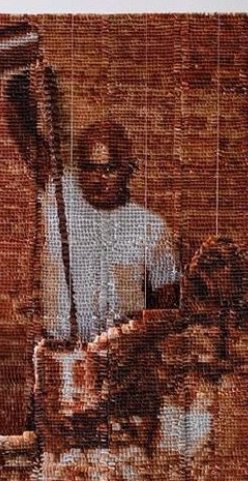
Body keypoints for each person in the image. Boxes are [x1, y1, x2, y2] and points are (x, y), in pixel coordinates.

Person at [40, 121, 179, 341]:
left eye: (109, 169)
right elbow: (30, 146)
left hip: (124, 356)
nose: (97, 179)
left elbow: (168, 305)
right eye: (89, 168)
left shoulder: (151, 227)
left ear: (129, 170)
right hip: (65, 352)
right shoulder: (61, 205)